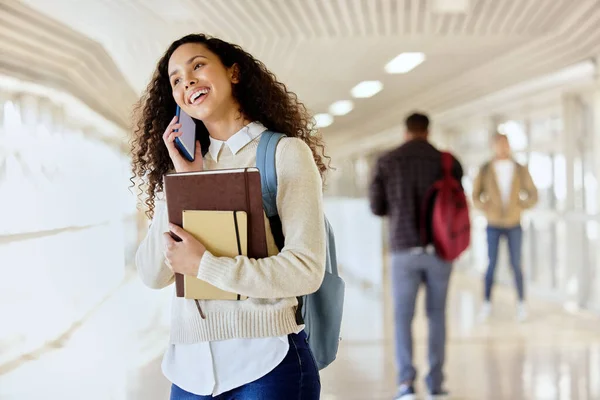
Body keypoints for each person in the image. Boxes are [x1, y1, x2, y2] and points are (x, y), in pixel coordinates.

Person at [130, 33, 329, 400]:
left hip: (266, 364)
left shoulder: (284, 154)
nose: (187, 80)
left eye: (198, 66)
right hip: (189, 373)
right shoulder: (181, 166)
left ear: (234, 73)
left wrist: (205, 265)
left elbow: (306, 269)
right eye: (175, 80)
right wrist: (181, 183)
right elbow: (152, 273)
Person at [369, 113, 463, 400]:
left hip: (403, 250)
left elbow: (376, 207)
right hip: (441, 250)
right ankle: (436, 384)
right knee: (436, 315)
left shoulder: (388, 161)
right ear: (428, 131)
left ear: (406, 131)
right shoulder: (448, 161)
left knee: (402, 317)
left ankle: (406, 384)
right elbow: (458, 202)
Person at [472, 133, 538, 322]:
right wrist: (483, 206)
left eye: (506, 144)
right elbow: (475, 195)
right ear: (493, 146)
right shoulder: (485, 169)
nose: (503, 147)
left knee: (516, 264)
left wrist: (520, 206)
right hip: (492, 223)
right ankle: (486, 303)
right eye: (499, 144)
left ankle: (521, 304)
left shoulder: (519, 168)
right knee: (491, 264)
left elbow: (533, 194)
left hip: (514, 223)